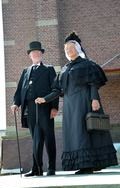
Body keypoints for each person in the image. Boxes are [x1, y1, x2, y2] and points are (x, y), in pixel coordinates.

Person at [35, 32, 118, 174]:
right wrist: (45, 99)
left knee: (85, 132)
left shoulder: (87, 64)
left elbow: (93, 83)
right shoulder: (65, 69)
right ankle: (83, 164)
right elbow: (57, 90)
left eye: (71, 48)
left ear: (78, 49)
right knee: (75, 134)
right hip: (69, 107)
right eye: (66, 49)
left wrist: (95, 99)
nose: (68, 51)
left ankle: (89, 165)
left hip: (84, 102)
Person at [11, 41, 59, 176]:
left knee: (49, 138)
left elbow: (55, 88)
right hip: (30, 109)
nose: (36, 54)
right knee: (36, 139)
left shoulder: (49, 69)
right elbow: (20, 90)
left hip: (45, 107)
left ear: (41, 54)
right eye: (33, 53)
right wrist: (16, 103)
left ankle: (51, 168)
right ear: (30, 56)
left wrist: (54, 107)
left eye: (38, 52)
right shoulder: (25, 71)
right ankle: (37, 169)